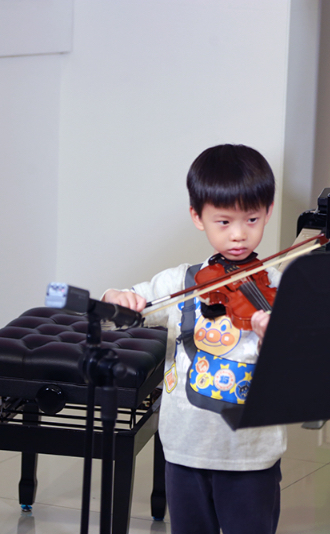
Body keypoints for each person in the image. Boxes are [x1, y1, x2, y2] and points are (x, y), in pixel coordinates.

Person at [102, 144, 284, 534]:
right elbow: (117, 317)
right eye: (224, 221)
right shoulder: (179, 282)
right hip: (185, 448)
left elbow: (300, 366)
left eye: (252, 219)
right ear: (197, 217)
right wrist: (116, 298)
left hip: (250, 453)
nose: (239, 234)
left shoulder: (280, 287)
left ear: (268, 212)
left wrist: (276, 339)